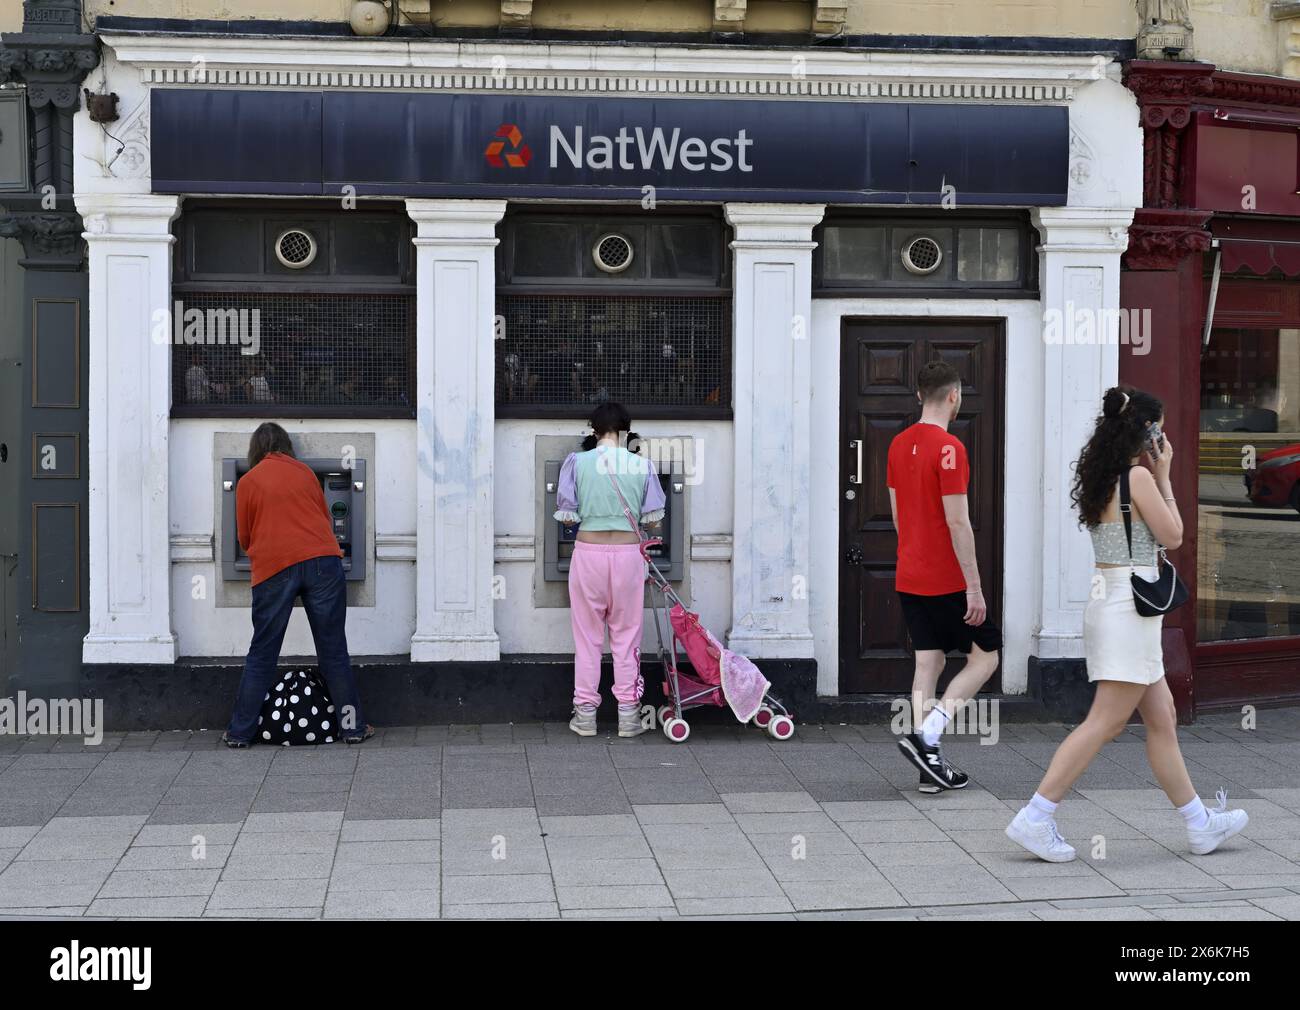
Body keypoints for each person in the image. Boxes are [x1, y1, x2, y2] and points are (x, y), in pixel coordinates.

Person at [1006, 386, 1248, 862]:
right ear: (1146, 430)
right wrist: (1166, 476)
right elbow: (1174, 535)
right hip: (1129, 612)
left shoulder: (1101, 474)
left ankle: (1199, 824)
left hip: (1116, 603)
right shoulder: (1137, 477)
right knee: (1105, 722)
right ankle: (1035, 816)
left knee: (1162, 718)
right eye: (1158, 428)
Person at [888, 361, 1001, 792]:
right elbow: (958, 523)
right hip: (947, 578)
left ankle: (927, 770)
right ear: (954, 396)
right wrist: (973, 585)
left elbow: (899, 517)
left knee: (928, 662)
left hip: (909, 572)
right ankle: (928, 735)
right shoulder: (950, 448)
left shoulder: (897, 444)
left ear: (919, 395)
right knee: (987, 655)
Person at [222, 423, 373, 747]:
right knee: (333, 651)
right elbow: (323, 517)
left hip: (275, 567)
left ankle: (239, 733)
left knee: (262, 653)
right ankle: (353, 728)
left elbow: (245, 537)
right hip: (323, 561)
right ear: (286, 446)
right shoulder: (305, 473)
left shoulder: (247, 482)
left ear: (255, 450)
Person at [554, 403, 666, 737]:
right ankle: (629, 717)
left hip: (588, 554)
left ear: (594, 429)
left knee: (587, 638)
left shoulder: (577, 463)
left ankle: (585, 715)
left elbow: (568, 514)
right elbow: (654, 519)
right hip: (629, 556)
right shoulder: (641, 465)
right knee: (627, 635)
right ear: (625, 430)